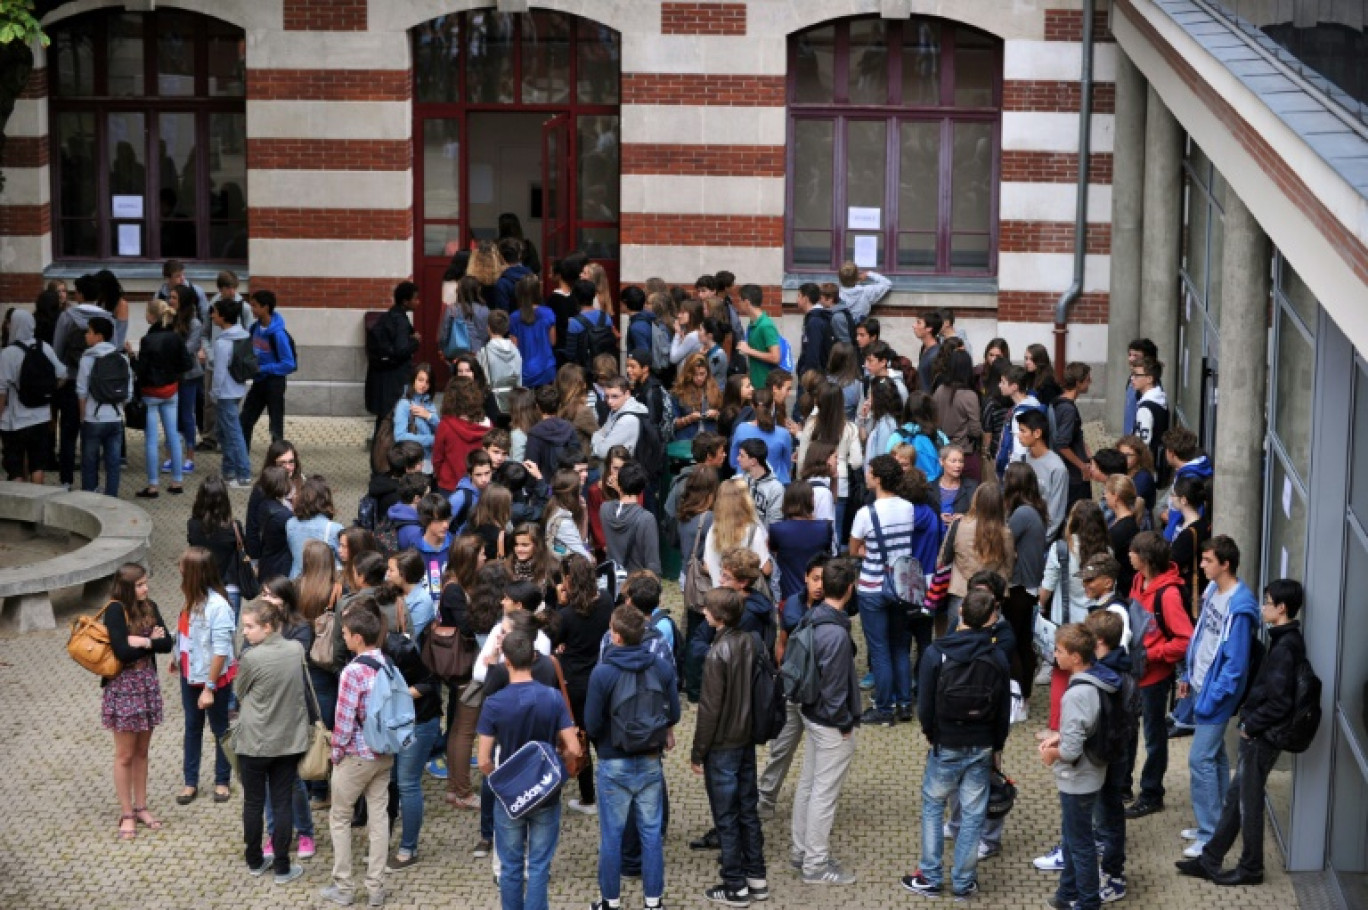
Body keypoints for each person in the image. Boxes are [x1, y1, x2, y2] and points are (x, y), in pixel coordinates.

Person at [1178, 578, 1306, 887]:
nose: (1262, 607)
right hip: (1260, 736)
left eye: (1267, 601)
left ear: (1282, 608)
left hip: (1262, 738)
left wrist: (1250, 725)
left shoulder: (1286, 647)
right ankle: (1210, 859)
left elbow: (1279, 703)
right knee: (1237, 798)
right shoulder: (1282, 640)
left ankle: (1251, 869)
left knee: (1248, 805)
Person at [903, 590, 1010, 900]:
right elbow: (1003, 709)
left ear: (960, 612)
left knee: (934, 806)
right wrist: (997, 745)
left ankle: (930, 876)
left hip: (946, 741)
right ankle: (963, 882)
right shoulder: (997, 657)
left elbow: (924, 703)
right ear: (992, 617)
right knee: (974, 813)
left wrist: (931, 733)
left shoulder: (937, 653)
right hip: (982, 744)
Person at [582, 603, 680, 910]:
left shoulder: (603, 672)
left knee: (611, 837)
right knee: (651, 835)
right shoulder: (661, 667)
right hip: (651, 760)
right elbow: (674, 713)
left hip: (613, 762)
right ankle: (653, 902)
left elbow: (592, 723)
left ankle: (610, 902)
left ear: (617, 636)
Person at [477, 626, 581, 910]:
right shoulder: (552, 697)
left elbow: (484, 759)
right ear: (534, 657)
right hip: (545, 792)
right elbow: (574, 748)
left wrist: (500, 781)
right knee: (538, 866)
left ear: (506, 661)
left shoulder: (494, 704)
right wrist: (558, 768)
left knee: (510, 867)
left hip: (510, 797)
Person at [1177, 535, 1261, 858]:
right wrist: (1188, 675)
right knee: (1216, 757)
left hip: (1215, 695)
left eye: (1208, 560)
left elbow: (1235, 666)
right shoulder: (1214, 590)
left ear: (1225, 564)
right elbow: (1202, 636)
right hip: (1202, 685)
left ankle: (1211, 835)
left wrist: (1212, 700)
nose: (1201, 565)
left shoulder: (1240, 608)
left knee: (1199, 759)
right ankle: (1222, 823)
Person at [849, 455, 942, 726]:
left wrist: (871, 551)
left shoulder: (866, 513)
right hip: (901, 588)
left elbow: (855, 550)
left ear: (878, 478)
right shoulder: (908, 508)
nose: (866, 475)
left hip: (873, 586)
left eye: (870, 472)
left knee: (879, 649)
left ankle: (884, 707)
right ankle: (904, 703)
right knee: (900, 645)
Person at [693, 587, 769, 907]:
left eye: (707, 609)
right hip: (746, 740)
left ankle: (734, 885)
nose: (704, 613)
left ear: (719, 617)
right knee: (747, 811)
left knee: (725, 816)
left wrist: (698, 752)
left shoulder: (716, 654)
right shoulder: (752, 642)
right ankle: (757, 878)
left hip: (722, 745)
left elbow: (709, 710)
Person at [789, 557, 863, 885]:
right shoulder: (836, 634)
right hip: (830, 723)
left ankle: (801, 850)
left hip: (810, 714)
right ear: (849, 589)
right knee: (824, 793)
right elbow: (835, 691)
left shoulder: (812, 617)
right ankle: (816, 865)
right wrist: (845, 723)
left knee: (809, 784)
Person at [321, 599, 396, 908]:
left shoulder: (352, 672)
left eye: (347, 633)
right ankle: (376, 887)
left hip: (356, 755)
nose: (344, 636)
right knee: (379, 818)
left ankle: (344, 886)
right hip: (384, 754)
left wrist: (335, 753)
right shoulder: (388, 664)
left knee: (339, 817)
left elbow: (344, 720)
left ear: (357, 638)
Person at [1040, 623, 1116, 910]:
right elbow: (1087, 726)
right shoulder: (1098, 680)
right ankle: (1067, 892)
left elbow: (1071, 751)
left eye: (1059, 650)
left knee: (1081, 843)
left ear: (1075, 657)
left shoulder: (1075, 695)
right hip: (1093, 772)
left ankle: (1087, 901)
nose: (1054, 655)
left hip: (1078, 778)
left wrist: (1052, 754)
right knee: (1073, 837)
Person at [235, 597, 309, 884]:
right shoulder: (295, 649)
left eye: (250, 627)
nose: (245, 632)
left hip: (254, 742)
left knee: (253, 803)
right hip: (288, 741)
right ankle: (281, 867)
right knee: (282, 802)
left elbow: (240, 692)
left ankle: (254, 861)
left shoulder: (251, 658)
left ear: (268, 627)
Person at [103, 563, 174, 841]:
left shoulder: (150, 605)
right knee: (125, 754)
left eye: (146, 582)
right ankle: (127, 812)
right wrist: (148, 641)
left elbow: (167, 643)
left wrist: (142, 642)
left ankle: (141, 806)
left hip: (147, 684)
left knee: (143, 751)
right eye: (140, 584)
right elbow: (120, 651)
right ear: (127, 587)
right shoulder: (115, 610)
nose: (146, 588)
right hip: (123, 686)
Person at [174, 546, 237, 805]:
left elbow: (221, 651)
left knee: (220, 728)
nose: (178, 570)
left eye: (183, 567)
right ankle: (190, 782)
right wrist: (176, 655)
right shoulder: (191, 599)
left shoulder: (218, 607)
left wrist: (209, 687)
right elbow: (187, 634)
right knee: (192, 727)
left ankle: (222, 780)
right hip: (190, 674)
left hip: (213, 678)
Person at [1083, 608, 1134, 903]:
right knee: (1106, 813)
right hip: (1115, 751)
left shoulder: (1109, 676)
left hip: (1109, 755)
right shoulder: (1120, 668)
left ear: (1100, 640)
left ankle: (1114, 876)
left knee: (1110, 814)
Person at [133, 298, 194, 498]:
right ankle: (177, 481)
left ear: (152, 316)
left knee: (151, 440)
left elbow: (140, 370)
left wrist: (132, 358)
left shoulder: (147, 340)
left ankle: (153, 486)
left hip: (151, 393)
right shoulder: (175, 338)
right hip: (171, 390)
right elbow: (187, 364)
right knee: (173, 436)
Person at [0, 308, 66, 484]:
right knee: (37, 465)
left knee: (15, 468)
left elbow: (2, 392)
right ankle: (38, 502)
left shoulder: (7, 354)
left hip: (14, 421)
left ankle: (19, 508)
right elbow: (62, 374)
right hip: (41, 417)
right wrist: (47, 391)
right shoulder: (45, 347)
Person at [1003, 462, 1048, 703]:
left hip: (1019, 586)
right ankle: (1023, 693)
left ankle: (1018, 694)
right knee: (1021, 640)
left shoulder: (1022, 514)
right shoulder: (1035, 510)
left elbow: (1004, 541)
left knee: (1014, 641)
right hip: (1028, 586)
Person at [943, 482, 1015, 634]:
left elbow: (943, 558)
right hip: (990, 599)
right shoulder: (1005, 533)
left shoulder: (958, 525)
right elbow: (1009, 567)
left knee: (957, 641)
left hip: (960, 592)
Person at [77, 316, 133, 496]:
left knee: (89, 462)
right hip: (115, 418)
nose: (86, 335)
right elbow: (128, 393)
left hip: (93, 418)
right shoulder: (122, 358)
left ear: (99, 337)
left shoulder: (87, 359)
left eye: (89, 332)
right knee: (113, 463)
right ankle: (112, 498)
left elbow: (82, 392)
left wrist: (83, 417)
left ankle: (89, 498)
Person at [241, 290, 297, 448]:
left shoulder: (278, 334)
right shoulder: (254, 329)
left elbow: (288, 363)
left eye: (255, 306)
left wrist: (264, 368)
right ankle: (242, 460)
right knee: (245, 419)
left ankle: (278, 463)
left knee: (275, 426)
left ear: (265, 308)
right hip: (259, 381)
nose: (252, 309)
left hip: (274, 383)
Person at [365, 282, 421, 438]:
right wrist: (415, 341)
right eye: (415, 299)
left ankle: (378, 452)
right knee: (393, 417)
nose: (418, 302)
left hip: (383, 376)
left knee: (383, 419)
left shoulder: (388, 317)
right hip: (395, 378)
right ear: (405, 301)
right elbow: (401, 350)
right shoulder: (401, 321)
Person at [210, 297, 253, 487]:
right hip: (237, 388)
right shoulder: (243, 336)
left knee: (233, 433)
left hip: (225, 392)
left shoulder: (222, 343)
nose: (212, 316)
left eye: (215, 312)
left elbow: (219, 371)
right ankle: (228, 471)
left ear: (223, 316)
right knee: (227, 432)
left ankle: (243, 474)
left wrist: (214, 393)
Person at [1014, 409, 1068, 542]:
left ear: (1037, 433)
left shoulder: (1057, 468)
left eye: (1023, 431)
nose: (1018, 435)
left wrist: (1040, 542)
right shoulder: (1022, 460)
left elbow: (1056, 513)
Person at [601, 461, 661, 576]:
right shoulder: (646, 519)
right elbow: (653, 562)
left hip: (612, 580)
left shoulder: (605, 509)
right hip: (636, 584)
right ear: (642, 487)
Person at [432, 378, 490, 496]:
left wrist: (441, 477)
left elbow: (437, 458)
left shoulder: (445, 425)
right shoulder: (487, 425)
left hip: (450, 486)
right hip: (480, 485)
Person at [729, 389, 793, 485]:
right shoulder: (783, 434)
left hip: (745, 485)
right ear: (772, 405)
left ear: (752, 405)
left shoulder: (741, 429)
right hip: (777, 485)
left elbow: (733, 461)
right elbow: (787, 465)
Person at [993, 365, 1044, 481]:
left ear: (1014, 387)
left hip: (1015, 475)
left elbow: (1019, 450)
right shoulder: (1033, 402)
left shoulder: (1020, 414)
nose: (999, 385)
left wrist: (1009, 473)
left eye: (1003, 382)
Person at [1052, 362, 1092, 507]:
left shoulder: (1059, 403)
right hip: (1074, 476)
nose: (1090, 382)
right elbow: (1062, 444)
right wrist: (1082, 466)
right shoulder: (1068, 409)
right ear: (1078, 382)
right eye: (1087, 379)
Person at [510, 274, 558, 387]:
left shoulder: (514, 317)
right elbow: (553, 341)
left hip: (524, 371)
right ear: (538, 292)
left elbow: (514, 346)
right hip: (547, 369)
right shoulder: (548, 313)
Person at [733, 284, 780, 391]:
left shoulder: (766, 325)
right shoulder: (752, 323)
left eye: (740, 300)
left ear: (747, 302)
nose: (738, 304)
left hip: (765, 385)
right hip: (755, 384)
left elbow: (775, 357)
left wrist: (748, 350)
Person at [392, 363, 439, 469]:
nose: (423, 385)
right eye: (420, 380)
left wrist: (429, 416)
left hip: (429, 460)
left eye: (427, 382)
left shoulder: (428, 403)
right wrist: (431, 439)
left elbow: (440, 429)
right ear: (414, 379)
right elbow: (400, 436)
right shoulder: (404, 404)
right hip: (411, 461)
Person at [831, 262, 890, 344]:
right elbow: (887, 283)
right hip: (861, 337)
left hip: (840, 339)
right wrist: (869, 274)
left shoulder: (835, 295)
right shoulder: (866, 292)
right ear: (857, 277)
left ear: (839, 278)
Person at [592, 377, 650, 460]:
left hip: (628, 468)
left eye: (615, 396)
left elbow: (603, 452)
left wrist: (596, 440)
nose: (609, 401)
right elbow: (602, 432)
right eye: (607, 397)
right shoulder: (616, 410)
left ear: (627, 394)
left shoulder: (627, 420)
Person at [672, 351, 721, 442]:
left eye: (702, 374)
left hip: (709, 439)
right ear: (688, 374)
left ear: (708, 373)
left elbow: (723, 417)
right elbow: (672, 424)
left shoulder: (714, 389)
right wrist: (688, 419)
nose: (699, 378)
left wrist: (716, 415)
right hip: (686, 440)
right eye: (695, 374)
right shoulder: (679, 392)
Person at [1129, 357, 1169, 467]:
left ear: (1149, 379)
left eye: (1136, 375)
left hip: (1147, 466)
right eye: (1132, 375)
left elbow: (1143, 444)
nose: (1132, 378)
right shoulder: (1160, 399)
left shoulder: (1145, 408)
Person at [1120, 338, 1158, 438]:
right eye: (1130, 355)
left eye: (1136, 356)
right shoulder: (1132, 379)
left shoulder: (1149, 386)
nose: (1130, 359)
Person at [912, 310, 943, 392]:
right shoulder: (924, 348)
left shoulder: (936, 354)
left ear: (929, 328)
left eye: (919, 323)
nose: (914, 325)